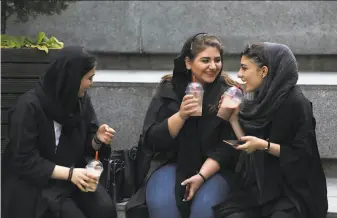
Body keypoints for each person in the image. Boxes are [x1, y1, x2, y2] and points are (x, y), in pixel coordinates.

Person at [127, 33, 240, 218]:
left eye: (217, 60)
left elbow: (228, 147)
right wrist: (181, 116)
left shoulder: (228, 92)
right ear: (188, 62)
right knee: (164, 206)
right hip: (170, 163)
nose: (213, 66)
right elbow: (152, 139)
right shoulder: (169, 88)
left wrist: (202, 175)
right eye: (205, 60)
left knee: (204, 208)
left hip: (214, 168)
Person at [213, 43, 328, 218]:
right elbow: (250, 148)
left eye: (245, 68)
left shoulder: (296, 104)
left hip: (291, 190)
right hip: (261, 187)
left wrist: (264, 145)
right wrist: (234, 120)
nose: (239, 74)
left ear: (264, 71)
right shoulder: (258, 100)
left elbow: (302, 155)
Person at [1, 46, 117, 218]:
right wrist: (70, 174)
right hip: (35, 184)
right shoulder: (29, 107)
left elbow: (87, 146)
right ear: (72, 79)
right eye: (89, 78)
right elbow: (24, 160)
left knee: (105, 210)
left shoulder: (80, 102)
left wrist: (97, 140)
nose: (91, 83)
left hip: (72, 178)